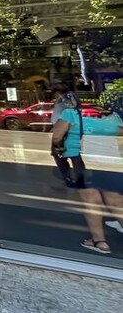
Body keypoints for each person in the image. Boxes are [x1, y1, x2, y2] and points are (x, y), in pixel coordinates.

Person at [50, 90, 123, 255]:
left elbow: (56, 137)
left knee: (91, 200)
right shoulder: (115, 122)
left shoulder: (70, 114)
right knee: (117, 202)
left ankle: (99, 242)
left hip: (83, 162)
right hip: (109, 163)